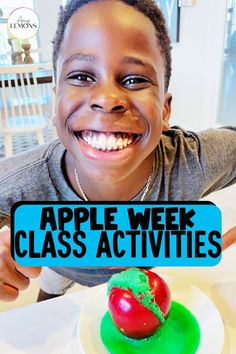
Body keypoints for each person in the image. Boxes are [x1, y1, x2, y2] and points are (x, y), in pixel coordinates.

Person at [0, 0, 235, 302]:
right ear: (55, 103)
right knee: (51, 293)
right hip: (65, 268)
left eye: (135, 79)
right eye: (82, 77)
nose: (107, 99)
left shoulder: (192, 163)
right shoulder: (25, 179)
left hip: (141, 277)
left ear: (165, 110)